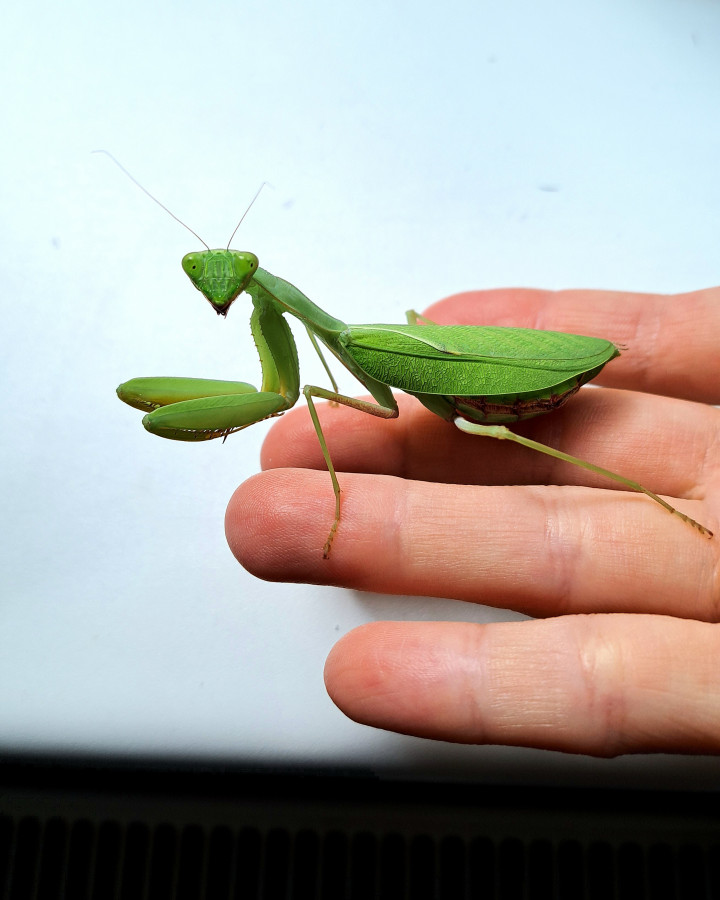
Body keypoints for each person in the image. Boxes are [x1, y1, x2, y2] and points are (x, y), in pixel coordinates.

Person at [225, 287, 720, 755]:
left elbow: (329, 400)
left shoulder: (357, 342)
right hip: (470, 373)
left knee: (497, 434)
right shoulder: (347, 339)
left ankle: (649, 495)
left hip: (515, 383)